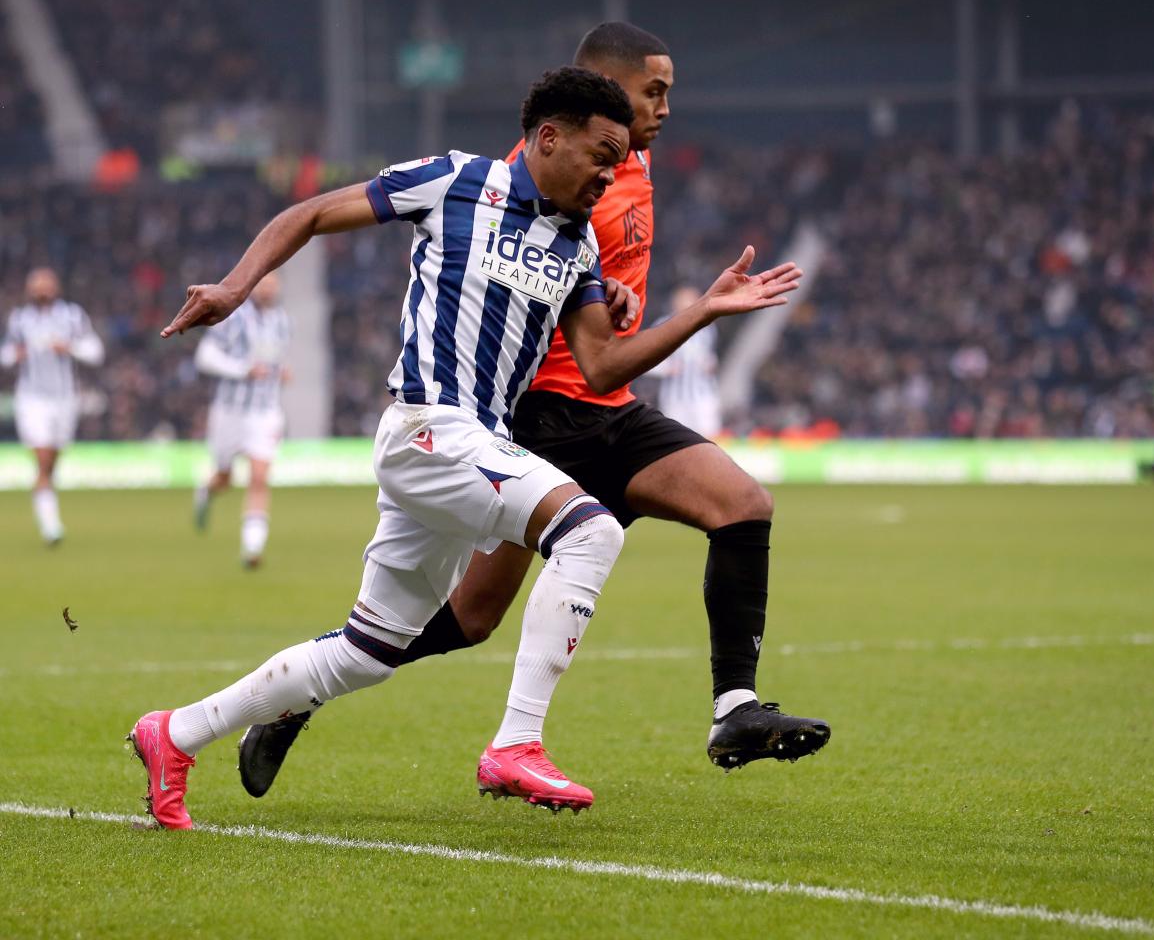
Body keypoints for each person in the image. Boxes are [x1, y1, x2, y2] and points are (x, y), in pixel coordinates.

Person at [128, 65, 802, 828]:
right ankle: (516, 743)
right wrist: (234, 286)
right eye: (600, 156)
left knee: (367, 653)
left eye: (618, 165)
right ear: (549, 138)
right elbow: (311, 213)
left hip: (473, 444)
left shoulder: (577, 242)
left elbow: (603, 366)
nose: (608, 176)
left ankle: (174, 733)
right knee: (590, 530)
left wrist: (703, 311)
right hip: (428, 427)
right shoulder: (455, 181)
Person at [192, 271, 291, 567]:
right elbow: (205, 357)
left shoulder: (282, 321)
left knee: (259, 477)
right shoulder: (233, 319)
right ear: (254, 287)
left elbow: (274, 360)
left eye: (273, 286)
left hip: (266, 411)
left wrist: (281, 373)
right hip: (230, 411)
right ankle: (205, 491)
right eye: (264, 285)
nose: (268, 290)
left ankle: (252, 548)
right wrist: (242, 370)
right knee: (225, 478)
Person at [0, 267, 104, 545]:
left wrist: (69, 348)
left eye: (45, 285)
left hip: (64, 399)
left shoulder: (72, 316)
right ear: (29, 290)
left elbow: (95, 351)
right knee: (43, 457)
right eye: (36, 286)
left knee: (51, 463)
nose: (41, 290)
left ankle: (46, 507)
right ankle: (51, 526)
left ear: (56, 288)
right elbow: (5, 353)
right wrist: (15, 354)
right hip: (32, 399)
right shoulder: (19, 319)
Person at [649, 285, 723, 438]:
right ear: (674, 302)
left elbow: (710, 355)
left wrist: (710, 364)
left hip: (703, 395)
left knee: (709, 437)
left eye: (691, 300)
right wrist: (666, 368)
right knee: (677, 438)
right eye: (683, 300)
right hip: (674, 397)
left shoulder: (707, 327)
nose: (687, 304)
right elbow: (645, 360)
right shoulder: (662, 324)